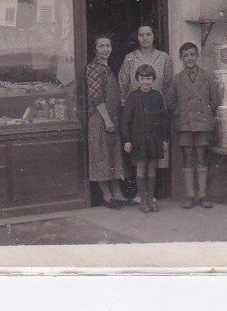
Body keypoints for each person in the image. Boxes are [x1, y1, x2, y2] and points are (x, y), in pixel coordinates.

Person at [165, 42, 220, 209]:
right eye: (185, 56)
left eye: (192, 55)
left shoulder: (207, 76)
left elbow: (216, 100)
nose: (189, 58)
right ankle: (190, 196)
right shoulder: (176, 79)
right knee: (187, 158)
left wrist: (205, 110)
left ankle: (202, 196)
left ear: (197, 56)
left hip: (203, 124)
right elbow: (169, 102)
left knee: (202, 158)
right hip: (185, 124)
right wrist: (181, 111)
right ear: (180, 58)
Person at [121, 64, 170, 213]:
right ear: (137, 79)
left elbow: (163, 119)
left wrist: (165, 139)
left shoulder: (157, 96)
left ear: (153, 79)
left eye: (148, 78)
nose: (145, 81)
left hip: (154, 139)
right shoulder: (132, 97)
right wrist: (127, 140)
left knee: (152, 170)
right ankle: (143, 201)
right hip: (138, 140)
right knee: (141, 169)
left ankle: (150, 200)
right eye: (142, 78)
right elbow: (125, 121)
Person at [85, 33, 127, 209]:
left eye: (108, 46)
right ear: (95, 49)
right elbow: (96, 97)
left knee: (114, 155)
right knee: (101, 156)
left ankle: (117, 192)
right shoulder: (93, 68)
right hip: (100, 118)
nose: (105, 49)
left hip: (112, 118)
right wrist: (107, 120)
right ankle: (107, 195)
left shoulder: (107, 67)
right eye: (101, 46)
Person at [118, 24, 173, 104]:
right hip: (135, 104)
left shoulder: (164, 58)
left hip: (156, 103)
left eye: (148, 34)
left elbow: (167, 83)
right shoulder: (130, 58)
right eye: (141, 35)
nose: (145, 38)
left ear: (153, 36)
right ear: (137, 37)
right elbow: (123, 83)